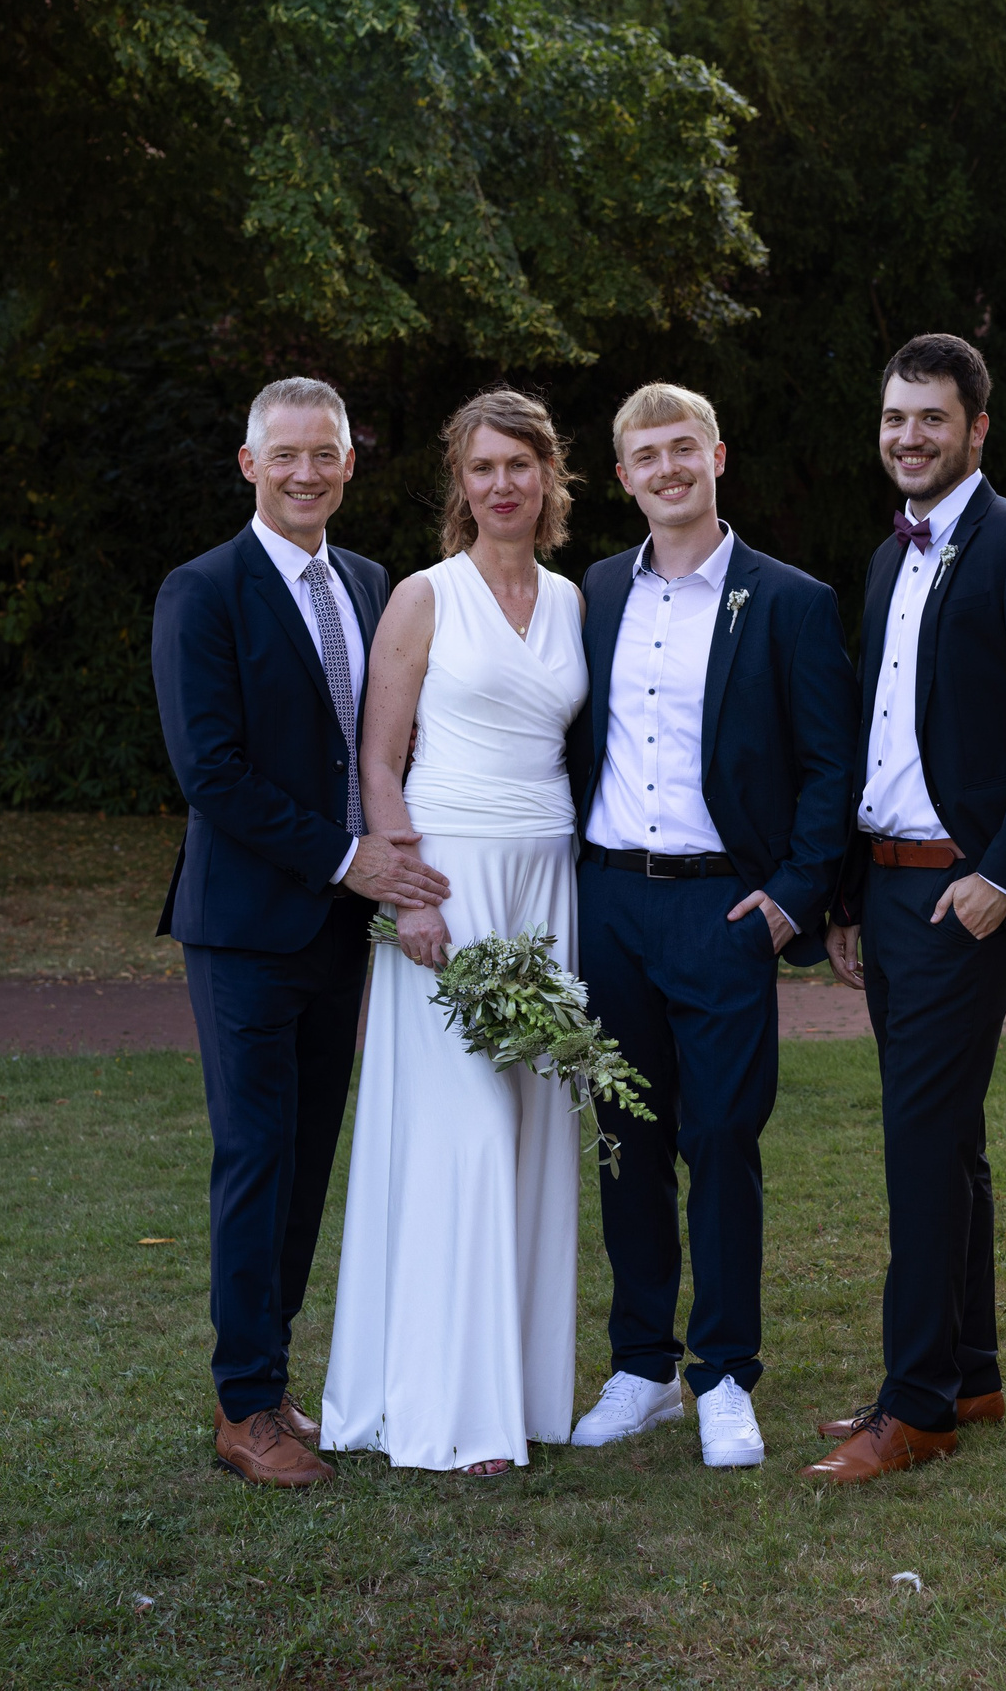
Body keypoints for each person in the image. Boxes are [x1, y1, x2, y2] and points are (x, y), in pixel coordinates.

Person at [810, 333, 1006, 1485]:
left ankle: (915, 1404)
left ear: (976, 428)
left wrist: (1002, 877)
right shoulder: (890, 561)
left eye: (930, 418)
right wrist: (845, 886)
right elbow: (881, 743)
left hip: (963, 892)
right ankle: (970, 1371)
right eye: (893, 418)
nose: (908, 438)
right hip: (883, 883)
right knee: (949, 1138)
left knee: (919, 1142)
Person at [151, 376, 452, 1489]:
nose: (305, 471)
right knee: (254, 1157)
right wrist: (345, 857)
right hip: (243, 929)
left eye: (323, 452)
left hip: (339, 932)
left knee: (309, 1157)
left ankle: (273, 1384)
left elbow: (379, 742)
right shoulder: (204, 590)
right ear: (249, 464)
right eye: (285, 454)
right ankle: (242, 1406)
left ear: (348, 464)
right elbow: (210, 772)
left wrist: (390, 862)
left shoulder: (374, 584)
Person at [564, 383, 857, 1469]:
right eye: (645, 454)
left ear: (717, 455)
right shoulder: (591, 593)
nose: (665, 467)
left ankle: (724, 1372)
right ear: (625, 474)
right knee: (623, 1138)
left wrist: (793, 898)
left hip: (724, 906)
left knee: (721, 1137)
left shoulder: (786, 599)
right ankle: (641, 1365)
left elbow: (831, 764)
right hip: (609, 903)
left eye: (682, 446)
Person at [320, 390, 591, 1477]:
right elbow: (377, 760)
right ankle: (449, 1410)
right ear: (459, 484)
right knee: (464, 1134)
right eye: (482, 468)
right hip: (451, 880)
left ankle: (518, 1394)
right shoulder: (423, 598)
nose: (502, 485)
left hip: (548, 876)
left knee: (533, 1136)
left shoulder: (576, 601)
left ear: (549, 476)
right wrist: (408, 892)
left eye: (520, 464)